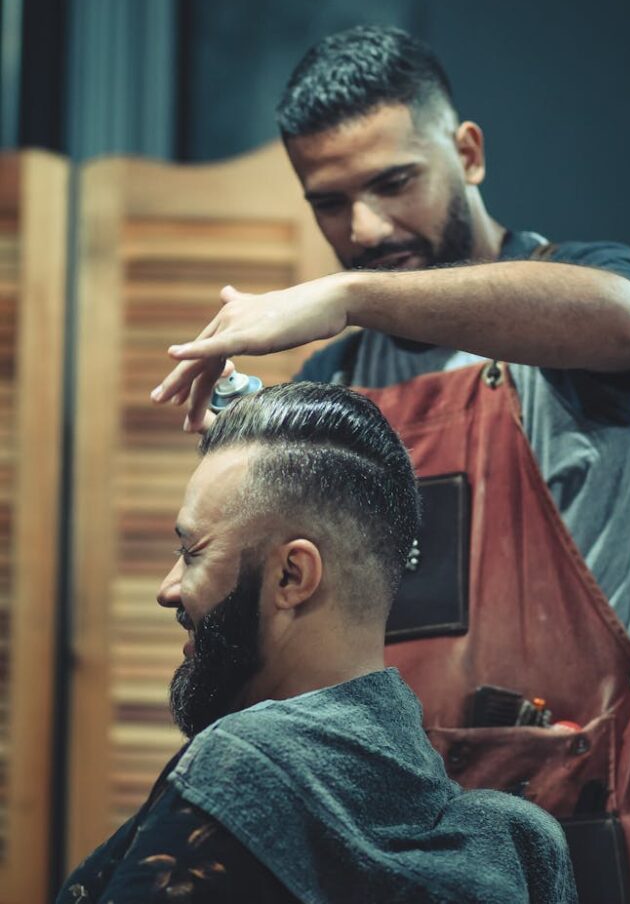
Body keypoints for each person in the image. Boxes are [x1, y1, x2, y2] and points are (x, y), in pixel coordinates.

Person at [150, 26, 630, 902]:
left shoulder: (582, 299)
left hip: (599, 826)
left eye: (394, 182)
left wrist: (346, 295)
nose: (364, 228)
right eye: (329, 202)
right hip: (408, 836)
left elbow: (625, 318)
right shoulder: (341, 382)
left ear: (466, 153)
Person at [57, 383, 575, 904]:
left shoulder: (242, 767)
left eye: (192, 553)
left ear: (291, 575)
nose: (167, 589)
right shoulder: (516, 846)